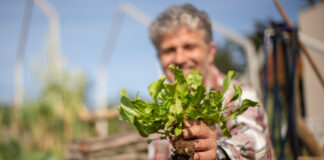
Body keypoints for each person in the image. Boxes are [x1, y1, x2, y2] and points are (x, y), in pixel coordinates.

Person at [147, 3, 275, 160]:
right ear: (159, 58)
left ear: (210, 52)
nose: (179, 58)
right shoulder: (163, 113)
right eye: (169, 50)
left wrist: (219, 152)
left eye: (189, 47)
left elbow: (254, 141)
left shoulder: (236, 95)